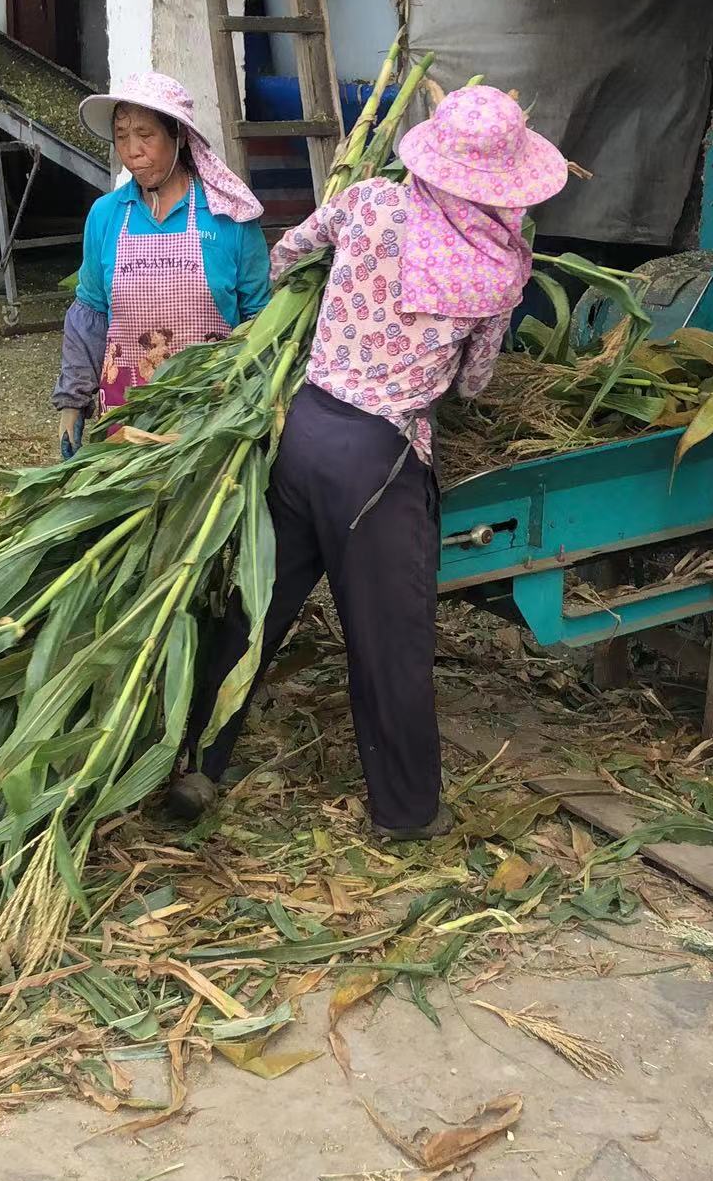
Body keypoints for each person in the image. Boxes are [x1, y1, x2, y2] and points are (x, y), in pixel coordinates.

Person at [167, 84, 568, 841]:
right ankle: (408, 814)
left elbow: (288, 254)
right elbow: (475, 382)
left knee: (256, 610)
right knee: (390, 640)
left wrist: (321, 315)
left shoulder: (371, 201)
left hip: (306, 432)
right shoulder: (496, 271)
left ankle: (192, 762)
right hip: (377, 464)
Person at [52, 72, 270, 446]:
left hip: (209, 414)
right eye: (121, 136)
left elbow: (261, 318)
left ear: (179, 137)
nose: (132, 150)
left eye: (146, 135)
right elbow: (90, 313)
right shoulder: (107, 215)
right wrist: (72, 403)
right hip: (126, 417)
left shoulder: (227, 217)